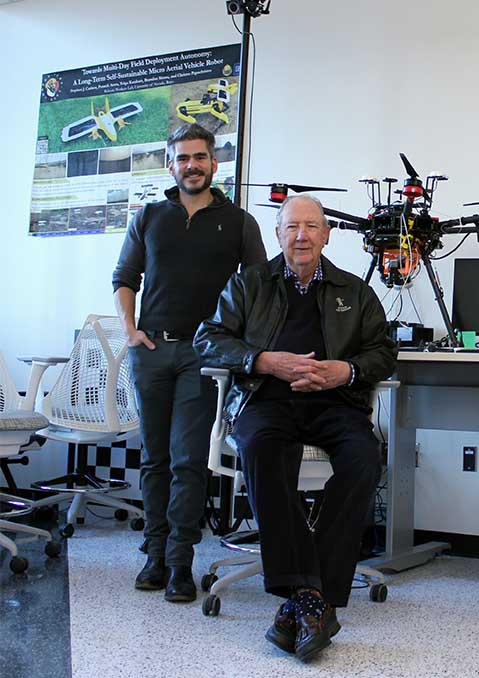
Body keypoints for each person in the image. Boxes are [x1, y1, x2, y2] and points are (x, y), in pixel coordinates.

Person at [193, 194, 397, 662]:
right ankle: (312, 597)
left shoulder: (354, 290)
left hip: (334, 401)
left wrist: (343, 371)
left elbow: (382, 351)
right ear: (279, 233)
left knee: (364, 458)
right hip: (267, 398)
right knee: (263, 449)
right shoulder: (249, 284)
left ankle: (301, 597)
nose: (301, 235)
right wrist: (262, 360)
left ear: (326, 234)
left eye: (311, 226)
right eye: (292, 227)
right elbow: (209, 339)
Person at [112, 123, 266, 602]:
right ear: (170, 164)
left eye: (199, 157)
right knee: (154, 460)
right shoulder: (150, 215)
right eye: (182, 158)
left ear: (214, 163)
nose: (191, 166)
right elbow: (124, 276)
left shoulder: (238, 221)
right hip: (152, 352)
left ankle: (180, 561)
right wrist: (131, 331)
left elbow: (258, 287)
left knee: (187, 461)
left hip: (204, 358)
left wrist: (237, 345)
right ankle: (153, 556)